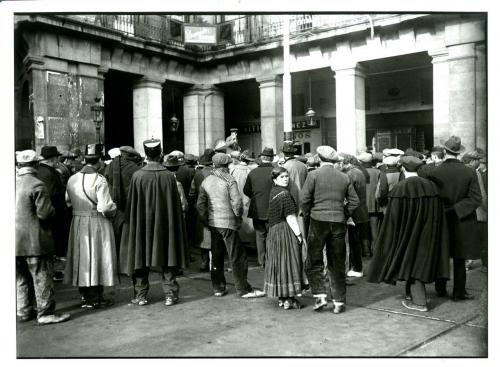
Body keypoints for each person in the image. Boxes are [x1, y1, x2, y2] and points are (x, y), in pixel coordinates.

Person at [367, 156, 450, 312]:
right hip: (428, 232)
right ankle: (411, 295)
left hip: (406, 233)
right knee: (418, 260)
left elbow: (393, 218)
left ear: (403, 168)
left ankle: (419, 302)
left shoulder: (400, 188)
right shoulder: (431, 187)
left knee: (410, 260)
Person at [120, 138, 188, 307]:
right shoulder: (169, 176)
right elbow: (175, 205)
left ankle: (140, 295)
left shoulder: (138, 176)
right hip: (165, 224)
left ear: (145, 154)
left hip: (142, 225)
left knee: (140, 257)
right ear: (160, 154)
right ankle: (170, 295)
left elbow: (132, 205)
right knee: (168, 256)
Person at [300, 146, 359, 314]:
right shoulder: (344, 177)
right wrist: (344, 213)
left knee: (313, 260)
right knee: (337, 262)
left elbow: (304, 199)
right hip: (338, 222)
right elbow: (355, 201)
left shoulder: (313, 175)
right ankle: (339, 301)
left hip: (318, 220)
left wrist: (307, 213)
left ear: (319, 159)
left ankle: (320, 295)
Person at [197, 153, 265, 299]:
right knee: (237, 256)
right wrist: (238, 217)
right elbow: (237, 202)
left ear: (214, 165)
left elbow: (200, 205)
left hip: (213, 223)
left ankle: (218, 287)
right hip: (228, 223)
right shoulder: (229, 180)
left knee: (216, 256)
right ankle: (243, 288)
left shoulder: (206, 181)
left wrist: (206, 222)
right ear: (227, 165)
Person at [15, 150, 70, 325]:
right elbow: (45, 213)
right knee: (41, 276)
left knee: (21, 278)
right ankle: (45, 313)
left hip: (14, 241)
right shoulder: (37, 185)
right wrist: (54, 210)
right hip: (35, 241)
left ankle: (23, 311)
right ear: (36, 165)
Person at [426, 136, 482, 301]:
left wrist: (445, 209)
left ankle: (440, 288)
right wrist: (457, 209)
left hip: (440, 219)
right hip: (463, 219)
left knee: (441, 253)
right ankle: (459, 292)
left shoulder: (434, 171)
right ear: (459, 153)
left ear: (444, 151)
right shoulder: (470, 172)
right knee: (460, 257)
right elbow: (475, 198)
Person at [64, 144, 118, 309]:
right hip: (96, 221)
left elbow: (67, 201)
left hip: (78, 221)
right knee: (96, 256)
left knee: (82, 257)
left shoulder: (72, 178)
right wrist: (114, 208)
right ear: (100, 160)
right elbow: (104, 207)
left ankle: (84, 295)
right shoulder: (99, 180)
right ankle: (95, 298)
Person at [264, 167, 304, 310]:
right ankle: (289, 298)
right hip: (284, 230)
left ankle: (282, 297)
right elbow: (291, 218)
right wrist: (299, 235)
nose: (286, 179)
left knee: (279, 262)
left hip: (274, 231)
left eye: (286, 176)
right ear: (275, 179)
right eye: (282, 177)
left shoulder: (274, 191)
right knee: (289, 261)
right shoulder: (285, 194)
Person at [37, 146, 70, 281]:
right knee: (55, 244)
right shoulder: (49, 173)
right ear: (53, 158)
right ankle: (55, 272)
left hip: (49, 215)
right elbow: (50, 195)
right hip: (54, 215)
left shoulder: (41, 170)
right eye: (57, 157)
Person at [104, 145, 143, 257]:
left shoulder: (110, 165)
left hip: (114, 207)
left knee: (116, 235)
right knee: (131, 237)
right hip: (131, 208)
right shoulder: (135, 169)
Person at [281, 141, 309, 288]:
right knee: (303, 240)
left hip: (290, 205)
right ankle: (306, 276)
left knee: (293, 241)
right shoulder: (303, 166)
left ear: (285, 154)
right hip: (302, 206)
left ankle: (297, 276)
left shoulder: (284, 167)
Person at [243, 147, 276, 268]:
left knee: (260, 235)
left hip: (257, 209)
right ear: (272, 158)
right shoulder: (276, 171)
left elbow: (246, 190)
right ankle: (273, 259)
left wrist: (256, 196)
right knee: (272, 235)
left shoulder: (253, 172)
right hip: (274, 208)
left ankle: (262, 261)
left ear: (262, 158)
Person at [340, 154, 371, 277]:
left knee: (354, 241)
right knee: (357, 240)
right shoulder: (359, 172)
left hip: (354, 212)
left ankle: (356, 268)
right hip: (361, 210)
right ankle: (357, 267)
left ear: (346, 162)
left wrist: (347, 212)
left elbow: (349, 195)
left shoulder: (350, 174)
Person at [189, 150, 215, 271]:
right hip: (215, 207)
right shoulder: (217, 173)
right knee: (215, 235)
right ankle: (215, 262)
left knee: (203, 236)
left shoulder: (197, 174)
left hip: (201, 207)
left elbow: (192, 192)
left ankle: (204, 262)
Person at [461, 150, 487, 272]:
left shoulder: (460, 171)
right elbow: (482, 196)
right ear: (472, 161)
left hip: (462, 211)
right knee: (481, 240)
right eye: (478, 160)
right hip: (478, 212)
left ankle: (466, 262)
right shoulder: (476, 173)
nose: (480, 162)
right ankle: (482, 264)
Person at [230, 150, 256, 246]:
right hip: (246, 199)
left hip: (234, 198)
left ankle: (238, 241)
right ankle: (247, 240)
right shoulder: (250, 170)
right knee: (247, 220)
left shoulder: (232, 169)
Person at [358, 151, 382, 252]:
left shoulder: (358, 172)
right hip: (374, 204)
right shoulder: (378, 172)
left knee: (364, 229)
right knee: (374, 229)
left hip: (362, 205)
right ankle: (376, 250)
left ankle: (366, 250)